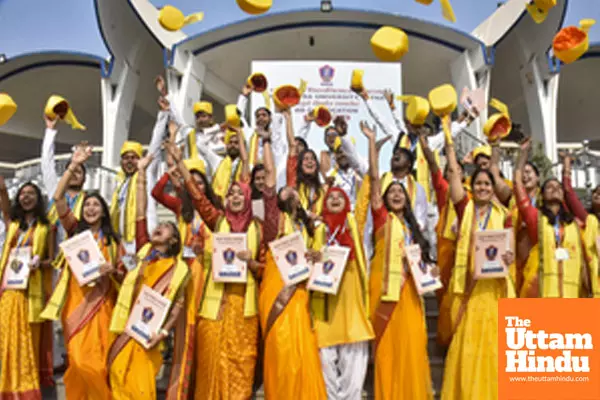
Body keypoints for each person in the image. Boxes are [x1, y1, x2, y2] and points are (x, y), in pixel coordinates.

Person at [168, 134, 266, 400]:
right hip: (214, 307)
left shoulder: (259, 229)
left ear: (248, 198)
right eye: (231, 193)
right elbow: (200, 199)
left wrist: (251, 262)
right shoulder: (218, 220)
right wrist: (181, 165)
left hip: (244, 310)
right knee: (209, 365)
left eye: (240, 193)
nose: (235, 196)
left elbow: (267, 270)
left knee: (241, 365)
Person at [40, 144, 124, 400]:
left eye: (95, 205)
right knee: (77, 361)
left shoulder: (112, 241)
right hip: (76, 304)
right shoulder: (75, 231)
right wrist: (74, 165)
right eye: (87, 205)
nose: (90, 208)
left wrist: (112, 270)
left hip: (103, 306)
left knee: (99, 364)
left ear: (103, 210)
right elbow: (57, 199)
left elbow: (123, 275)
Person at [441, 127, 515, 400]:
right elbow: (452, 174)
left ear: (493, 187)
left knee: (493, 347)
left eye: (487, 184)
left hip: (493, 289)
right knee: (468, 345)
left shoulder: (504, 215)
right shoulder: (465, 208)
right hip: (468, 289)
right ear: (472, 187)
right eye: (479, 184)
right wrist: (450, 140)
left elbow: (509, 250)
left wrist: (509, 259)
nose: (483, 187)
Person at [362, 121, 434, 400]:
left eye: (400, 192)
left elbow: (424, 263)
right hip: (384, 292)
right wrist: (372, 143)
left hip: (410, 295)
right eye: (391, 191)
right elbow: (375, 180)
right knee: (387, 351)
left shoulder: (415, 231)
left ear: (407, 199)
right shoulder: (382, 219)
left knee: (412, 347)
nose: (395, 193)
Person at [107, 153, 189, 399]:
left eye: (165, 227)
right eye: (159, 226)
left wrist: (163, 332)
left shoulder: (179, 268)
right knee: (118, 374)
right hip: (125, 326)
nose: (159, 227)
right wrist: (141, 174)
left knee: (142, 386)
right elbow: (140, 209)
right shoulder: (144, 249)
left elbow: (178, 305)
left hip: (149, 335)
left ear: (174, 239)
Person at [257, 126, 326, 399]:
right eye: (284, 190)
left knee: (301, 346)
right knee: (280, 345)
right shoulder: (275, 221)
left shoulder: (305, 226)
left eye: (293, 190)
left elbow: (314, 255)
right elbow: (273, 177)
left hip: (299, 290)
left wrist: (315, 255)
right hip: (276, 288)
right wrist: (265, 142)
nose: (289, 190)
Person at [151, 134, 220, 398]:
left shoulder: (215, 211)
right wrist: (169, 173)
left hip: (206, 275)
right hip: (181, 273)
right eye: (194, 184)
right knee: (180, 331)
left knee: (200, 334)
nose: (197, 188)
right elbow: (156, 193)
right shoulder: (182, 208)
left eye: (201, 184)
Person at [310, 184, 374, 400]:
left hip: (352, 306)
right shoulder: (318, 230)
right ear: (324, 203)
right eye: (330, 197)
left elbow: (366, 192)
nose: (335, 199)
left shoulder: (354, 224)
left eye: (340, 197)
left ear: (347, 202)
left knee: (354, 379)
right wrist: (313, 256)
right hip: (325, 308)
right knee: (326, 375)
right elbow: (304, 258)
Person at [514, 138, 586, 298]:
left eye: (558, 187)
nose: (555, 189)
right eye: (549, 187)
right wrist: (523, 154)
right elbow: (518, 185)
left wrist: (566, 168)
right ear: (543, 194)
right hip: (541, 293)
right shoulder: (536, 219)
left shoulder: (574, 224)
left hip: (571, 295)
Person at [0, 180, 51, 398]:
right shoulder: (12, 224)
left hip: (32, 291)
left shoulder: (46, 227)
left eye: (31, 193)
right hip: (10, 290)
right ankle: (7, 386)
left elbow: (52, 259)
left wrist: (40, 262)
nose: (26, 197)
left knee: (27, 340)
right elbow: (4, 203)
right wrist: (2, 188)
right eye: (23, 193)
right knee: (7, 339)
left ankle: (26, 388)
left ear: (38, 199)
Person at [418, 131, 466, 347]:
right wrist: (426, 147)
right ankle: (448, 341)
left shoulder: (473, 197)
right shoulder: (444, 191)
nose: (452, 174)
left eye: (457, 171)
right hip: (446, 249)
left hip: (466, 251)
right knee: (444, 297)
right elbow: (434, 167)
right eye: (450, 172)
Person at [110, 96, 166, 255]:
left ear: (140, 159)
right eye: (125, 158)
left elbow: (155, 145)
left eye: (133, 157)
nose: (129, 161)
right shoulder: (119, 183)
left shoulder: (146, 173)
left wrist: (162, 115)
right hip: (122, 243)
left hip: (144, 238)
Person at [562, 154, 600, 297]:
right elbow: (568, 192)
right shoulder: (589, 220)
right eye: (596, 192)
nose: (597, 194)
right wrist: (566, 167)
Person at [285, 109, 327, 216]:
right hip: (297, 228)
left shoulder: (322, 189)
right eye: (306, 159)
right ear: (299, 164)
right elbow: (292, 145)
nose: (310, 162)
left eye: (313, 159)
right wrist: (288, 118)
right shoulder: (293, 180)